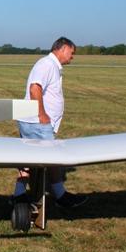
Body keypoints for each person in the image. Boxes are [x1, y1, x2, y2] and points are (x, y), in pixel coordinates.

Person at [14, 37, 87, 208]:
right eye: (71, 52)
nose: (72, 56)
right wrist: (42, 115)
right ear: (62, 49)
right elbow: (35, 88)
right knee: (53, 159)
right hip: (37, 122)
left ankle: (18, 195)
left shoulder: (51, 65)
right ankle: (60, 196)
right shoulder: (47, 64)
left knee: (28, 160)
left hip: (33, 121)